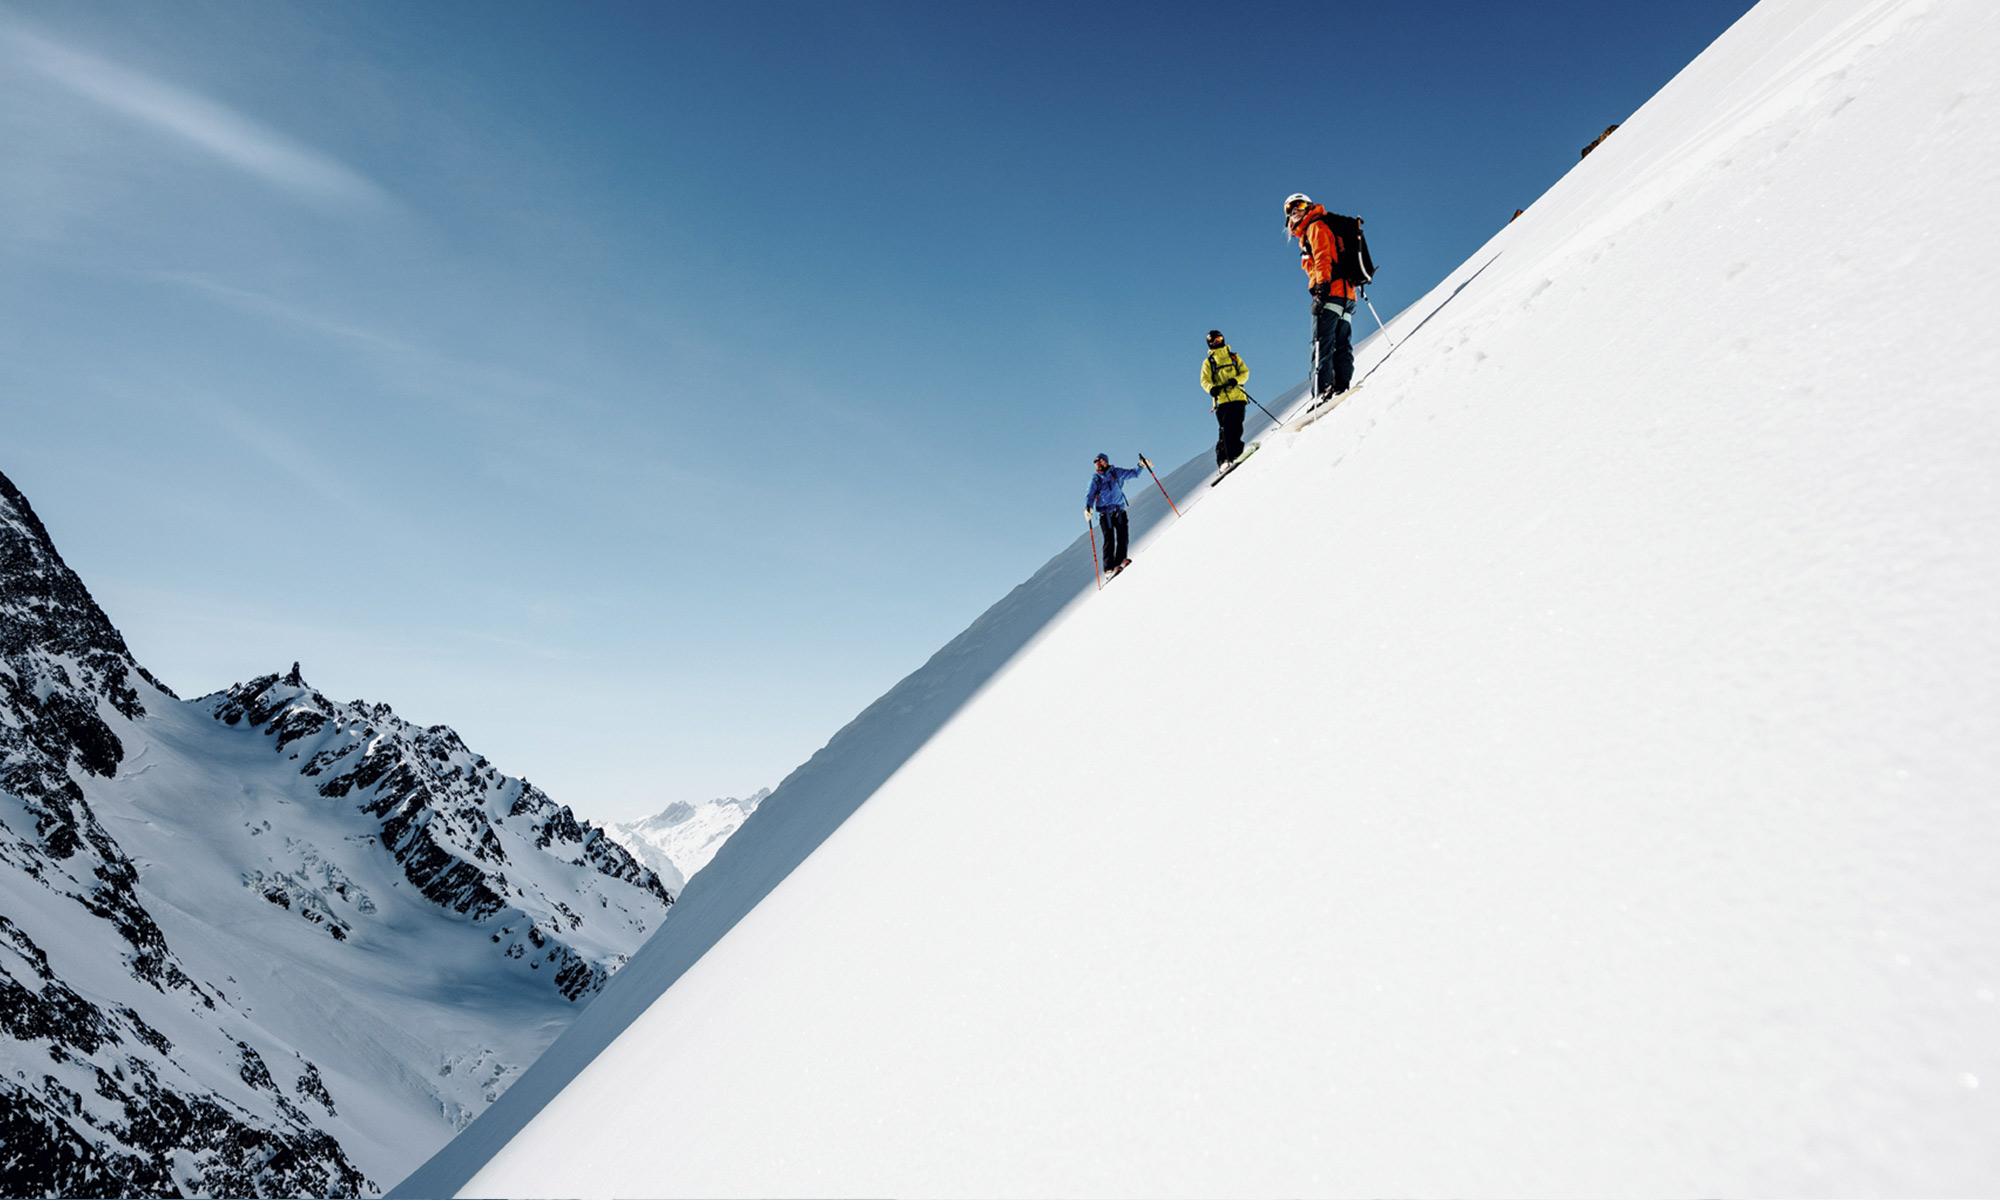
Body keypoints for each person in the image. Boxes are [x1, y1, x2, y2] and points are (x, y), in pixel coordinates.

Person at [1284, 192, 1357, 402]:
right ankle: (1341, 385)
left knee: (1321, 344)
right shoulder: (1319, 226)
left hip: (1330, 293)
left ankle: (1321, 392)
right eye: (1289, 209)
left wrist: (1321, 288)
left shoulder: (1315, 227)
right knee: (1342, 343)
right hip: (1347, 296)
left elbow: (1322, 257)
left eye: (1298, 205)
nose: (1295, 211)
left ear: (1308, 206)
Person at [1084, 453, 1147, 573]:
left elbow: (1134, 474)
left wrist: (1141, 465)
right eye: (1096, 462)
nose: (1098, 463)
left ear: (1106, 461)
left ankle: (1120, 560)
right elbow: (1090, 495)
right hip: (1105, 513)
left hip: (1119, 510)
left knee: (1123, 535)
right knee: (1109, 539)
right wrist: (1088, 508)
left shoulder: (1116, 472)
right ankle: (1108, 569)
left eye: (1100, 461)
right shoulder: (1095, 478)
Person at [1201, 330, 1250, 469]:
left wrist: (1236, 380)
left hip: (1238, 397)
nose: (1217, 342)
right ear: (1209, 344)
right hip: (1222, 400)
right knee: (1226, 429)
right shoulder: (1208, 362)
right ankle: (1224, 460)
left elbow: (1245, 373)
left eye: (1219, 339)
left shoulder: (1233, 357)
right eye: (1214, 341)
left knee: (1237, 427)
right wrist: (1212, 389)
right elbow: (1204, 380)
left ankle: (1236, 455)